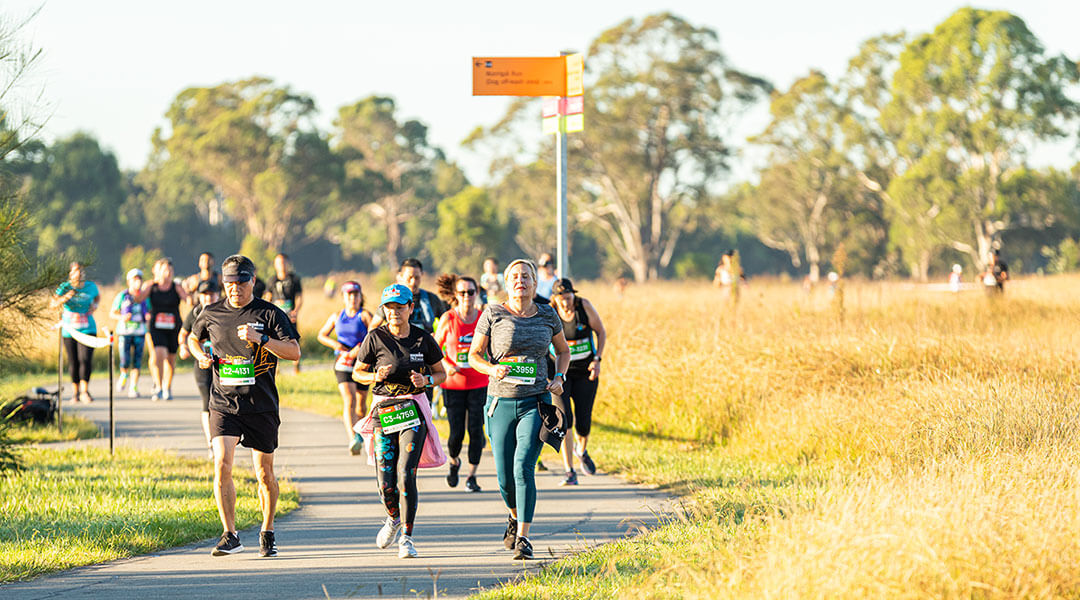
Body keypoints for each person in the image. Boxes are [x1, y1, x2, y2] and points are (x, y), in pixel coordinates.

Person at [188, 254, 301, 558]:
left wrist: (261, 339)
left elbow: (294, 352)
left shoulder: (271, 314)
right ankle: (230, 534)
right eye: (229, 282)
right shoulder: (211, 312)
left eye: (241, 281)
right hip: (223, 402)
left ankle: (268, 530)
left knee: (264, 473)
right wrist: (199, 354)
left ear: (252, 281)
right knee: (221, 462)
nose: (235, 287)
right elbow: (191, 338)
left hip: (260, 404)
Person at [468, 259, 571, 560]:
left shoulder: (548, 314)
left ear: (535, 282)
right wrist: (492, 368)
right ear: (506, 281)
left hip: (535, 402)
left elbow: (563, 351)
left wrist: (559, 376)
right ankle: (513, 516)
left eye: (526, 276)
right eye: (514, 276)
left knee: (523, 467)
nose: (520, 281)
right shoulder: (493, 313)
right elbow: (474, 355)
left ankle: (524, 538)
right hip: (500, 402)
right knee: (504, 477)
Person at [352, 284, 447, 559]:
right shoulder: (375, 338)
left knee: (406, 473)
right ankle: (392, 517)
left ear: (410, 309)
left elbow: (442, 373)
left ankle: (407, 537)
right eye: (389, 307)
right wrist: (375, 378)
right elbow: (358, 372)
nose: (394, 312)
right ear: (384, 309)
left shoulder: (422, 338)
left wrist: (427, 380)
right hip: (384, 411)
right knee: (386, 482)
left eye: (400, 307)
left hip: (412, 410)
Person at [549, 278, 606, 485]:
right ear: (555, 298)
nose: (566, 303)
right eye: (561, 298)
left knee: (583, 420)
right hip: (560, 375)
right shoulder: (550, 312)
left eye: (569, 297)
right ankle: (569, 471)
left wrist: (597, 359)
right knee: (564, 421)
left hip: (585, 372)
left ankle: (581, 449)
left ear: (574, 295)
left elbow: (601, 332)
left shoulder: (584, 307)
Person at [434, 273, 487, 492]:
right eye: (462, 292)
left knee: (476, 431)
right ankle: (454, 461)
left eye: (471, 292)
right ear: (456, 295)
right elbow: (435, 350)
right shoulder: (449, 318)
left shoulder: (484, 318)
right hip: (453, 384)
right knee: (456, 433)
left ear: (477, 294)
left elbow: (492, 347)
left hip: (479, 383)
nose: (467, 296)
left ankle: (472, 476)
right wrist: (446, 365)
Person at [316, 281, 373, 454]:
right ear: (343, 297)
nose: (352, 298)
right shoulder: (337, 316)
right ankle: (353, 438)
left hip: (362, 362)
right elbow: (321, 335)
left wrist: (360, 348)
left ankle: (359, 432)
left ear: (360, 297)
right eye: (349, 295)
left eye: (355, 295)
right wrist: (336, 345)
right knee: (349, 399)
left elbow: (374, 334)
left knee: (361, 405)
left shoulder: (365, 315)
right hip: (343, 362)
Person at [179, 280, 222, 455]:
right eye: (204, 294)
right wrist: (183, 346)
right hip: (203, 363)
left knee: (222, 403)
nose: (208, 297)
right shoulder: (195, 312)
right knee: (207, 401)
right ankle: (211, 443)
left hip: (224, 364)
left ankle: (224, 440)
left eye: (211, 294)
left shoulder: (226, 311)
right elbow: (183, 334)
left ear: (218, 294)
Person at [140, 258, 188, 401]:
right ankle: (158, 386)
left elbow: (189, 300)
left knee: (171, 359)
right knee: (158, 354)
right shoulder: (151, 286)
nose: (168, 273)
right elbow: (138, 299)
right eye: (165, 270)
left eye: (170, 270)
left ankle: (167, 387)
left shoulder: (176, 286)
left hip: (174, 326)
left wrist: (188, 289)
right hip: (156, 326)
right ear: (158, 271)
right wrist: (138, 288)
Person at [51, 262, 100, 403]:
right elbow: (53, 304)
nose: (78, 275)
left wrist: (95, 306)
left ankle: (85, 391)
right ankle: (75, 392)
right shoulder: (65, 287)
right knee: (73, 361)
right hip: (69, 329)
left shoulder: (91, 286)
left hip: (87, 328)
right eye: (75, 273)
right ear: (70, 274)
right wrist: (66, 297)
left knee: (85, 359)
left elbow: (97, 297)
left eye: (81, 272)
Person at [110, 269, 150, 398]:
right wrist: (122, 317)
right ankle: (123, 374)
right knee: (125, 359)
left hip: (140, 331)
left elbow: (149, 311)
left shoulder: (144, 297)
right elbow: (112, 313)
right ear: (129, 281)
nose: (137, 282)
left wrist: (148, 317)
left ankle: (133, 386)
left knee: (137, 361)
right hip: (124, 332)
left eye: (139, 279)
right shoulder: (122, 296)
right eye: (134, 279)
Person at [267, 253, 303, 373]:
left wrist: (296, 311)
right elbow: (267, 297)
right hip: (276, 314)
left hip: (290, 314)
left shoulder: (294, 279)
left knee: (293, 338)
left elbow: (300, 297)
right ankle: (276, 367)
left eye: (283, 262)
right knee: (274, 338)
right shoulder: (272, 280)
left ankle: (296, 366)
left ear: (288, 264)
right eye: (278, 263)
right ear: (275, 265)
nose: (281, 265)